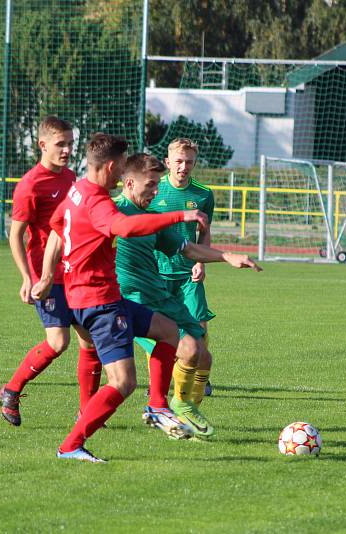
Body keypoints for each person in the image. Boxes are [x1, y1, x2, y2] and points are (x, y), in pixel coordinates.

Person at [31, 133, 211, 463]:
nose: (122, 175)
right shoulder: (98, 200)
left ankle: (158, 405)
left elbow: (56, 229)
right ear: (112, 167)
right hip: (98, 302)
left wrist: (45, 277)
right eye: (121, 169)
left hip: (98, 297)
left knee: (168, 330)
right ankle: (71, 445)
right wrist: (178, 216)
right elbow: (124, 228)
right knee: (124, 381)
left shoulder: (75, 192)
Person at [115, 153, 260, 439]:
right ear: (130, 183)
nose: (156, 192)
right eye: (150, 186)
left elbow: (189, 249)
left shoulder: (152, 219)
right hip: (130, 301)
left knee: (204, 356)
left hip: (160, 297)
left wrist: (228, 256)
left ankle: (183, 407)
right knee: (187, 350)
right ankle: (166, 407)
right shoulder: (111, 212)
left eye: (157, 185)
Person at [0, 116, 102, 426]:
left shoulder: (71, 177)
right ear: (42, 145)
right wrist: (27, 278)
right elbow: (16, 235)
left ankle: (87, 412)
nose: (68, 149)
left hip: (76, 273)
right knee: (58, 342)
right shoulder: (30, 184)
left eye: (71, 143)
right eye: (61, 144)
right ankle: (12, 391)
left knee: (91, 340)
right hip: (48, 277)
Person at [136, 138, 216, 401]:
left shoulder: (203, 195)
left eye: (189, 162)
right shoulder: (155, 191)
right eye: (179, 162)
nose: (184, 167)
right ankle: (156, 383)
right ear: (168, 162)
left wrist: (200, 261)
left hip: (188, 275)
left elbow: (205, 233)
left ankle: (200, 382)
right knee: (156, 330)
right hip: (156, 275)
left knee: (199, 331)